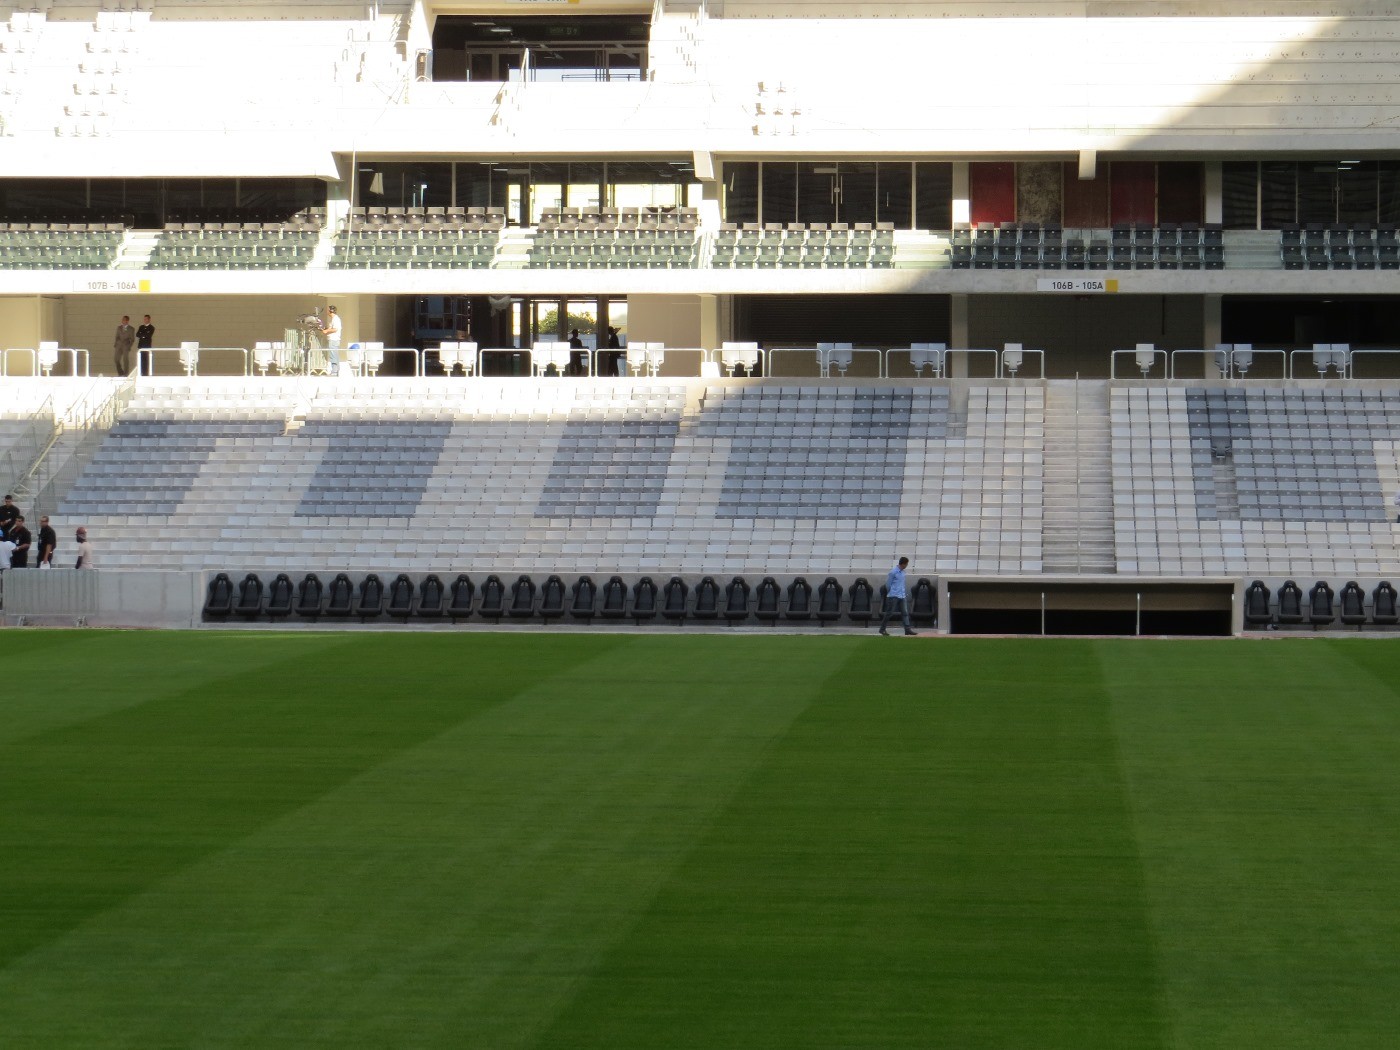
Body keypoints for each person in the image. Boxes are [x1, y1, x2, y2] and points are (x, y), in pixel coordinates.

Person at [878, 556, 916, 636]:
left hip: (902, 595)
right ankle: (882, 629)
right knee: (889, 613)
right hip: (894, 595)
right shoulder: (893, 572)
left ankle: (907, 629)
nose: (907, 566)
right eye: (906, 564)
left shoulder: (903, 572)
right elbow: (888, 584)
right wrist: (891, 592)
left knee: (905, 613)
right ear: (903, 564)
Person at [321, 305, 342, 374]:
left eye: (328, 310)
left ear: (331, 311)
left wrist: (327, 331)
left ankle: (334, 371)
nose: (327, 312)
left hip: (334, 340)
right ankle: (336, 370)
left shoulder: (335, 319)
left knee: (333, 355)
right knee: (334, 354)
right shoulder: (334, 319)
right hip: (333, 339)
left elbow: (335, 329)